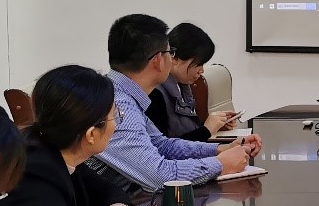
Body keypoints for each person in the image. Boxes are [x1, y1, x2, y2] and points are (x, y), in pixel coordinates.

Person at [0, 65, 178, 206]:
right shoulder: (34, 169)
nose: (115, 125)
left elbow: (104, 189)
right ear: (91, 134)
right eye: (115, 116)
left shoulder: (55, 149)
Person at [92, 14, 259, 192]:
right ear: (158, 61)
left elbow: (162, 145)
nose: (172, 58)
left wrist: (219, 150)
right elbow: (158, 177)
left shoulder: (122, 94)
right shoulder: (118, 107)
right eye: (170, 53)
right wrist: (220, 164)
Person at [146, 22, 239, 141]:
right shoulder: (155, 94)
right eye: (198, 64)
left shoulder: (183, 87)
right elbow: (163, 147)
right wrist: (206, 130)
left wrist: (215, 125)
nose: (202, 70)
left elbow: (185, 132)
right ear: (174, 58)